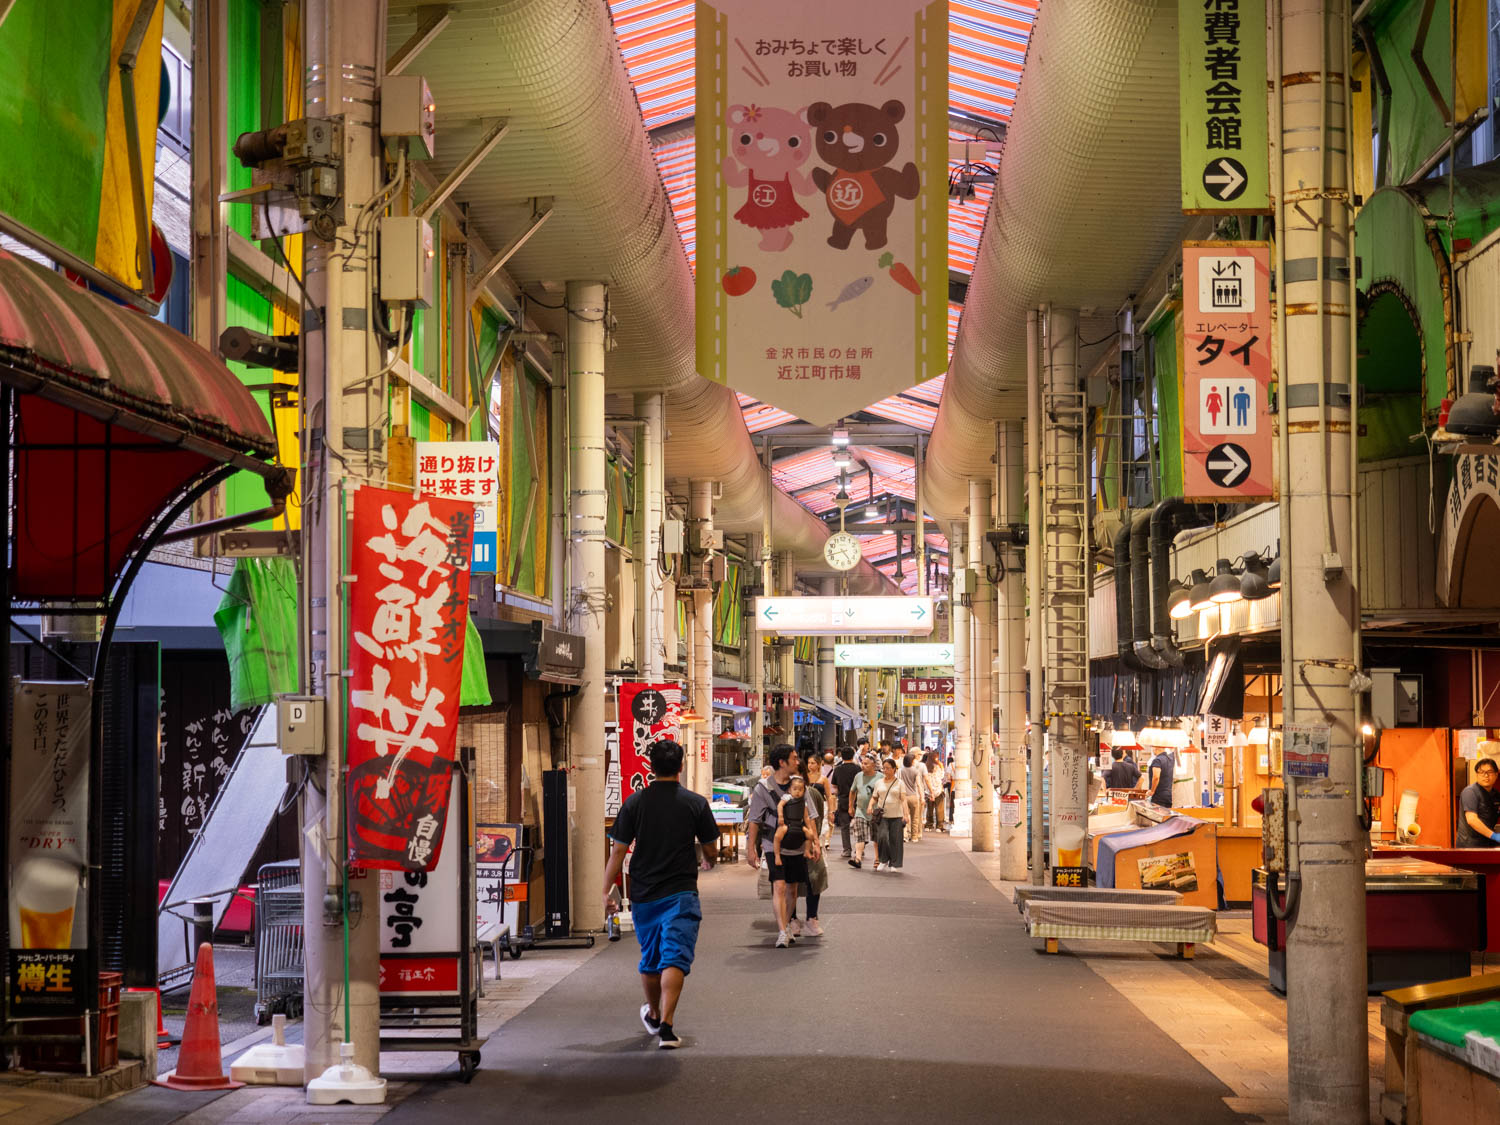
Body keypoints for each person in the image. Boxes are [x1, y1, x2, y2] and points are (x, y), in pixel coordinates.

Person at [603, 739, 719, 1049]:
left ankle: (654, 1013)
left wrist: (605, 891)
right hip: (681, 891)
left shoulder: (635, 802)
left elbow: (618, 851)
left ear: (650, 767)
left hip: (644, 893)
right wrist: (709, 857)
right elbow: (710, 847)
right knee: (675, 956)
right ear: (681, 766)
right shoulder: (695, 803)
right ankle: (666, 1025)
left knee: (651, 959)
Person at [744, 744, 799, 944]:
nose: (797, 761)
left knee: (793, 888)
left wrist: (815, 843)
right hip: (771, 844)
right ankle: (782, 930)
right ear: (782, 762)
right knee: (780, 885)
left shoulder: (798, 785)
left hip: (796, 844)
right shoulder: (763, 788)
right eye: (794, 758)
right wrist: (750, 849)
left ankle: (787, 925)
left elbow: (810, 814)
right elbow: (755, 820)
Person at [787, 756, 827, 939]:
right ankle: (791, 919)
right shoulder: (782, 794)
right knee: (790, 883)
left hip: (807, 843)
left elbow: (814, 819)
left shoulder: (810, 793)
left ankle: (812, 917)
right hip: (788, 844)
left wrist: (815, 842)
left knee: (814, 879)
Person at [869, 758, 912, 871]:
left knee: (895, 840)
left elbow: (903, 800)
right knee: (882, 837)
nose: (885, 770)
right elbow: (874, 797)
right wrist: (870, 806)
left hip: (896, 815)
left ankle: (894, 864)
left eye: (888, 768)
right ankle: (883, 860)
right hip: (882, 816)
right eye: (884, 768)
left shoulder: (900, 783)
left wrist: (906, 814)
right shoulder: (879, 783)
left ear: (894, 769)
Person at [1457, 757, 1500, 847]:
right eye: (1481, 772)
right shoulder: (1470, 792)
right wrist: (1494, 836)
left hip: (1487, 843)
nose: (1486, 776)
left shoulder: (1495, 794)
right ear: (1477, 775)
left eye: (1490, 772)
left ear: (1496, 774)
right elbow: (1472, 820)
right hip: (1470, 846)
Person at [847, 754, 880, 869]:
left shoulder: (880, 777)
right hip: (860, 810)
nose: (863, 766)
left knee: (876, 837)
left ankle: (877, 859)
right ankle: (858, 859)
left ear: (873, 765)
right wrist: (850, 806)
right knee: (859, 836)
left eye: (866, 764)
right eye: (863, 763)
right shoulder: (858, 776)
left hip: (876, 812)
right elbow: (852, 791)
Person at [829, 745, 861, 857]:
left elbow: (833, 784)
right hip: (857, 800)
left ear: (841, 756)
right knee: (858, 826)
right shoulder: (858, 769)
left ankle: (847, 850)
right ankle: (859, 849)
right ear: (853, 755)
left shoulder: (838, 769)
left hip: (843, 800)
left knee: (844, 826)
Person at [898, 752, 925, 842]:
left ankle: (904, 835)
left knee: (904, 816)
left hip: (903, 797)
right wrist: (922, 797)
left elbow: (898, 783)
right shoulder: (915, 771)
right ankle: (914, 837)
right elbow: (919, 785)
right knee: (915, 817)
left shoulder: (900, 770)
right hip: (913, 796)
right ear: (911, 761)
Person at [924, 751, 947, 832]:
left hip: (928, 791)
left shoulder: (925, 767)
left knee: (929, 809)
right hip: (938, 790)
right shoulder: (937, 766)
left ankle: (929, 825)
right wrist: (941, 766)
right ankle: (939, 826)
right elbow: (941, 776)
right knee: (939, 809)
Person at [1148, 744, 1176, 809]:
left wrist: (1152, 791)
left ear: (1156, 748)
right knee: (1167, 817)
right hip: (1168, 795)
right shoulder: (1170, 759)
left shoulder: (1157, 760)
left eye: (1152, 747)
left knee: (1158, 817)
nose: (1152, 749)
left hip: (1158, 796)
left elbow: (1156, 777)